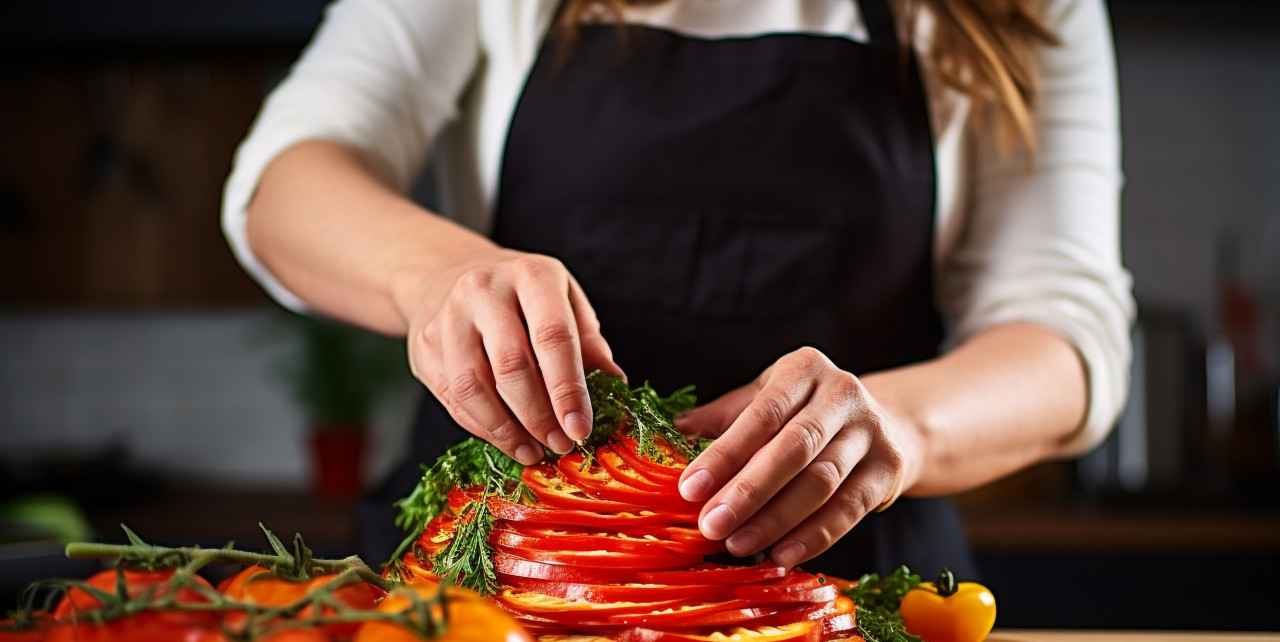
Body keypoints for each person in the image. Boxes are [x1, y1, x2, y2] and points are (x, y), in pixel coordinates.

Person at [222, 0, 1133, 577]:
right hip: (497, 592)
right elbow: (283, 184)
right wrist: (434, 276)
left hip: (839, 600)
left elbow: (1066, 340)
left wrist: (896, 423)